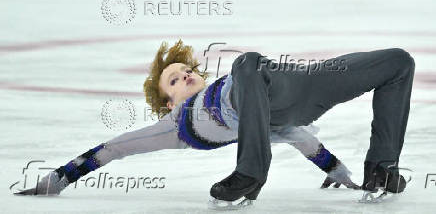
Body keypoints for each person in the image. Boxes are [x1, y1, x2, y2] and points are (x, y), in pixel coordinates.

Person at [14, 39, 360, 202]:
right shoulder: (173, 127)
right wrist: (56, 180)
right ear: (167, 102)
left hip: (254, 92)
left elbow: (298, 136)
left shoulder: (234, 91)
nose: (186, 77)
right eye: (174, 81)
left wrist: (334, 168)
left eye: (187, 71)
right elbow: (113, 149)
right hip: (248, 112)